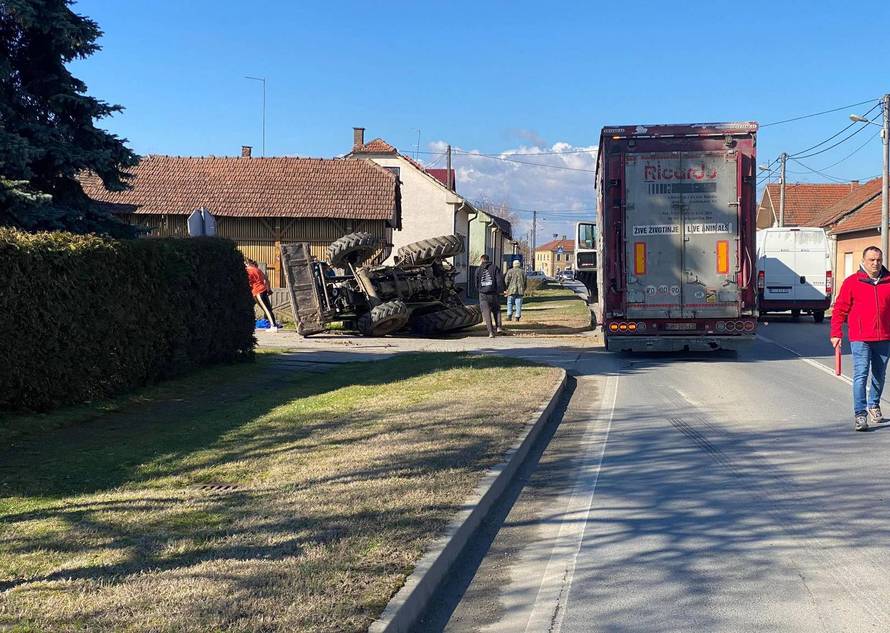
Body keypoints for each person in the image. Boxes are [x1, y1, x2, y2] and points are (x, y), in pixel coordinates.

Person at [830, 246, 890, 431]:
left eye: (878, 260)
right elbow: (839, 309)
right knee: (861, 374)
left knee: (879, 376)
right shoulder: (852, 282)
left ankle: (873, 404)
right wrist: (836, 333)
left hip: (884, 337)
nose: (875, 263)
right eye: (871, 260)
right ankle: (860, 414)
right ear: (864, 261)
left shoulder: (889, 281)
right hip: (860, 337)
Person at [476, 254, 505, 338]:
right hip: (493, 293)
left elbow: (476, 282)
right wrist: (500, 291)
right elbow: (499, 280)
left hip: (483, 294)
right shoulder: (494, 268)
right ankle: (499, 327)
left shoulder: (478, 269)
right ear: (488, 259)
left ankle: (491, 332)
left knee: (486, 313)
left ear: (481, 260)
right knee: (497, 310)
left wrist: (480, 289)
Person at [245, 258, 278, 332]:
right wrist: (268, 289)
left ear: (247, 264)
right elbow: (266, 279)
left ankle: (273, 326)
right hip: (263, 290)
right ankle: (273, 324)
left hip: (257, 291)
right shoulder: (257, 269)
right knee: (268, 308)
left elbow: (248, 283)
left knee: (266, 309)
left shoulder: (248, 271)